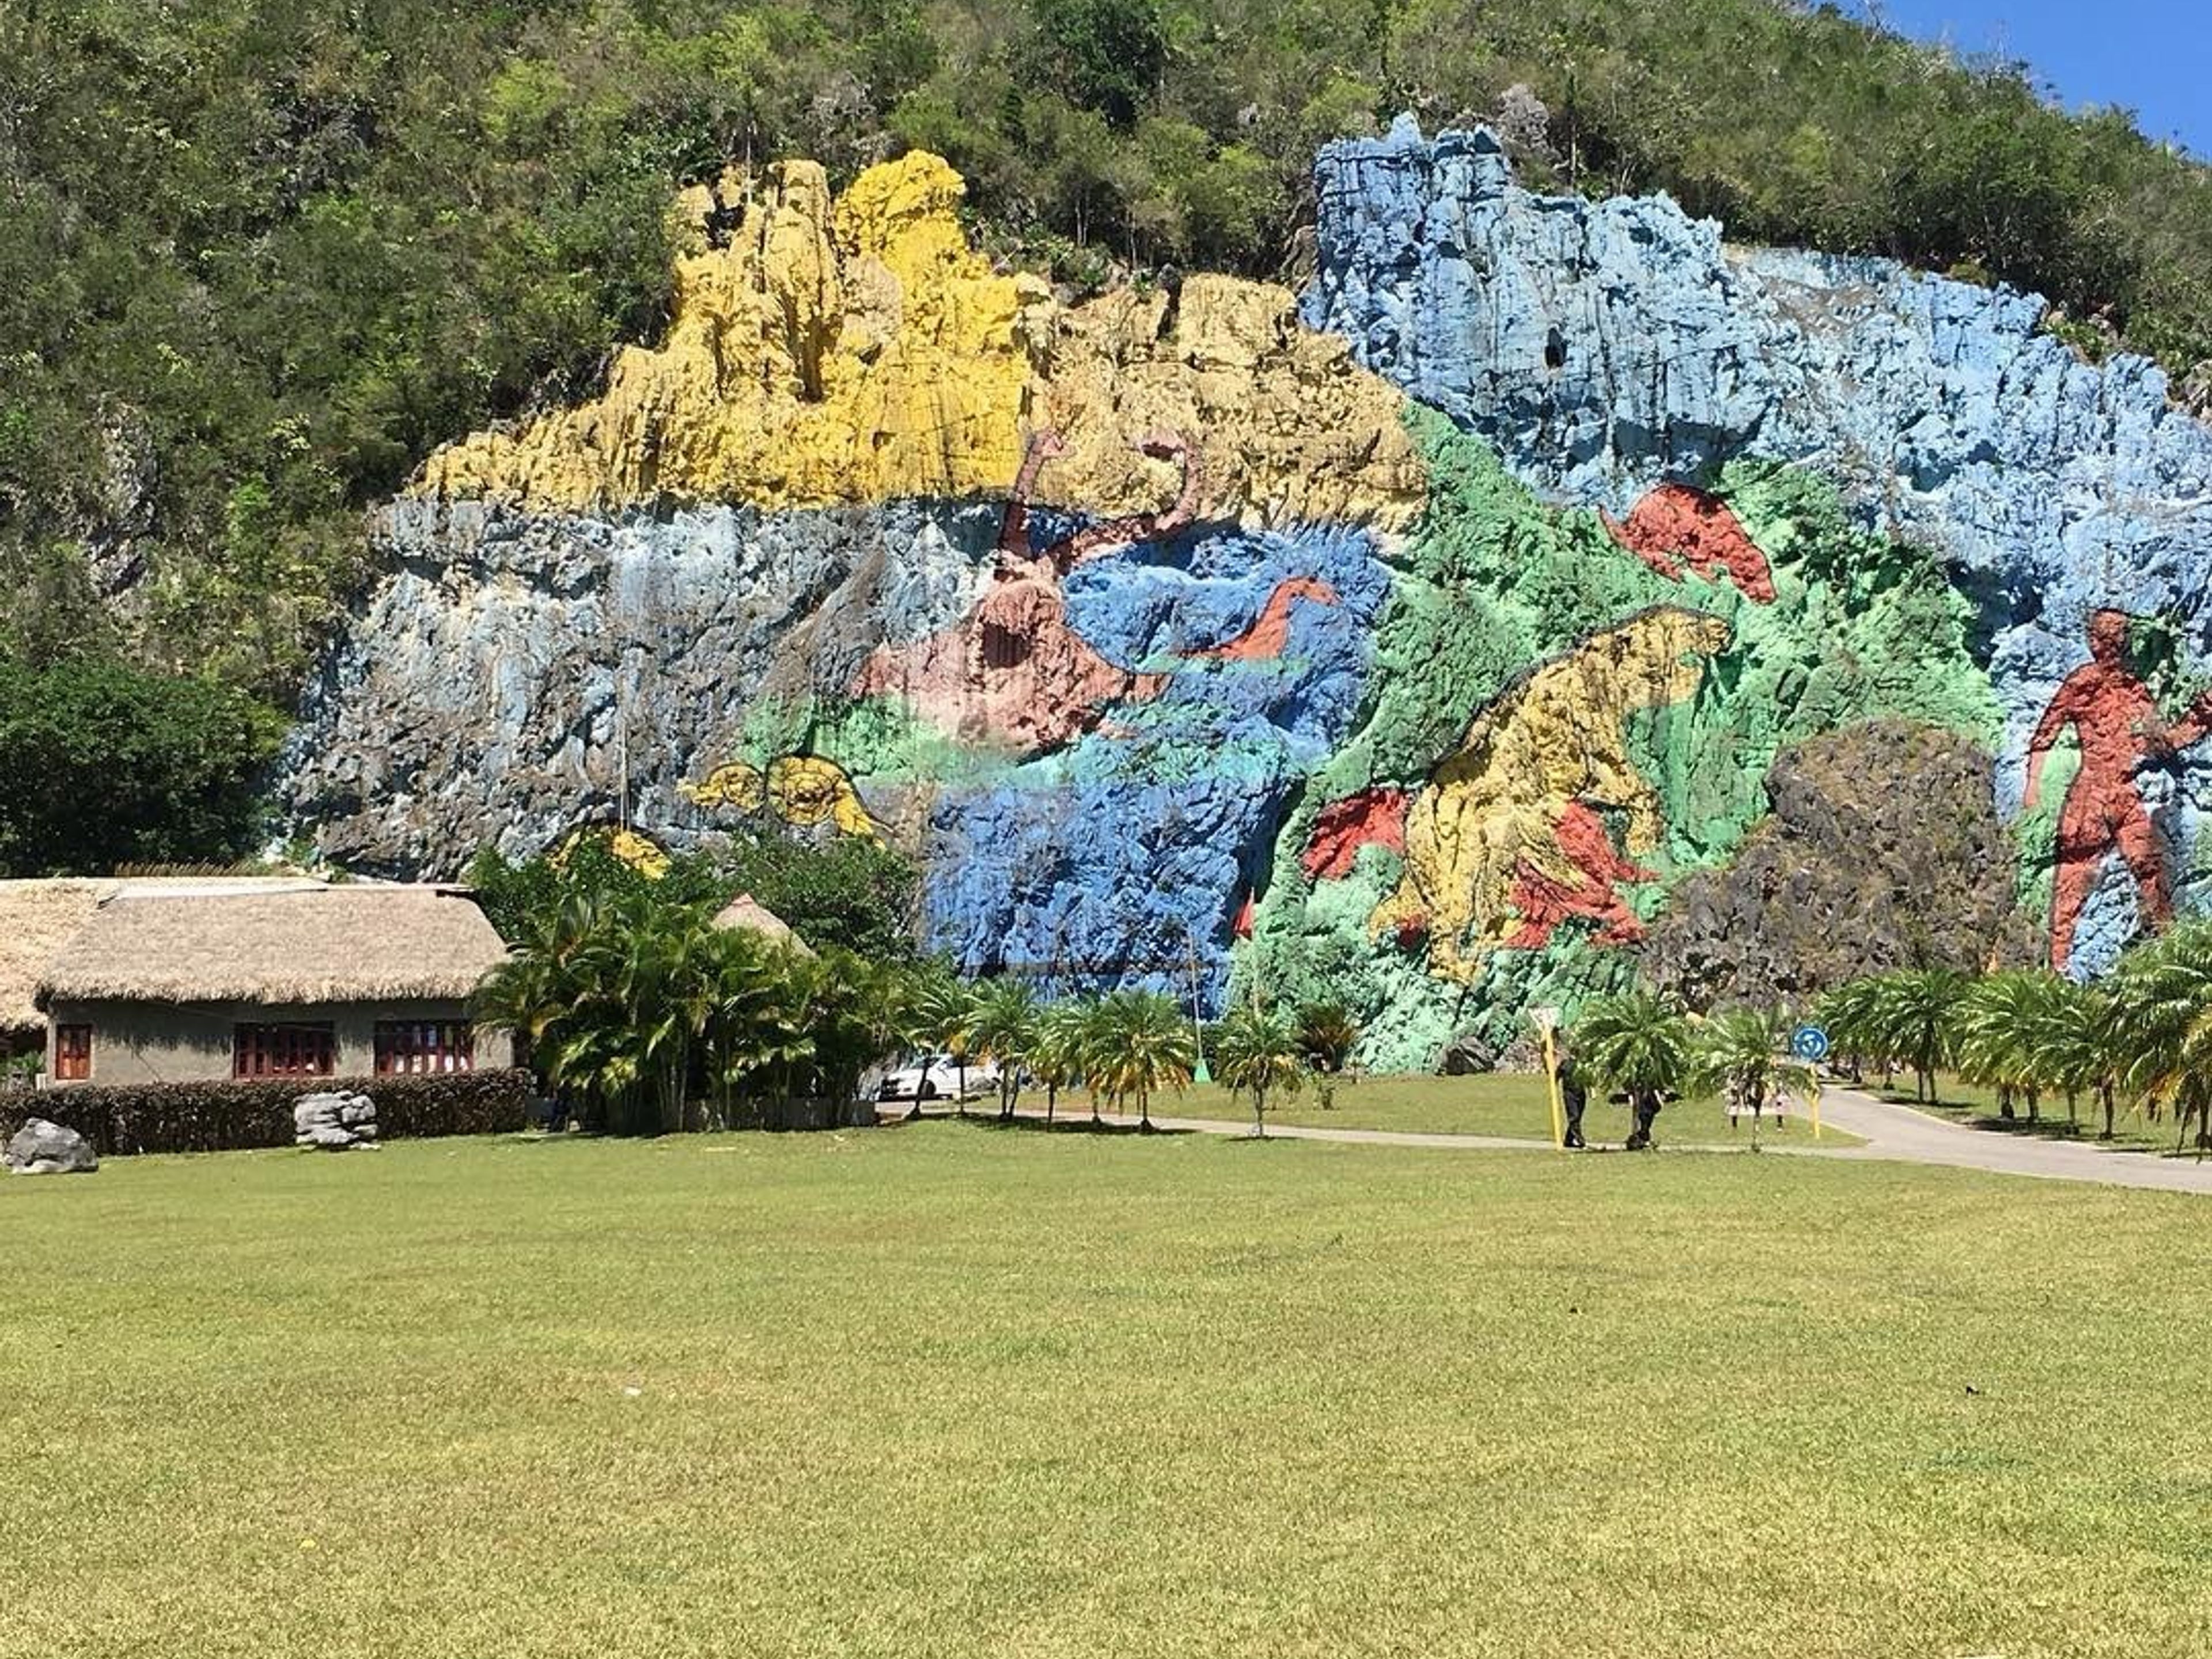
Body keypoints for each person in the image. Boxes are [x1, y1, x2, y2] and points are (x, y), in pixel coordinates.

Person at [2023, 609, 2212, 971]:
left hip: (2124, 794)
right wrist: (2032, 786)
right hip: (2090, 794)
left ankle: (2170, 953)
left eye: (2118, 637)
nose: (2114, 643)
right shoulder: (2083, 683)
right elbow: (2044, 736)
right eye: (2108, 637)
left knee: (2149, 871)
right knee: (2073, 881)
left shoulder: (2133, 688)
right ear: (2095, 642)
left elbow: (2159, 743)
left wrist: (2197, 721)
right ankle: (2058, 966)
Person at [1557, 1052, 1588, 1149]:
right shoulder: (1566, 1064)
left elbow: (1588, 1078)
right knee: (1574, 1117)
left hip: (1581, 1094)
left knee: (1577, 1117)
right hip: (1570, 1094)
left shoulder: (1582, 1065)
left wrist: (1592, 1091)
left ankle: (1568, 1140)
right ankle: (1581, 1141)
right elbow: (1556, 1076)